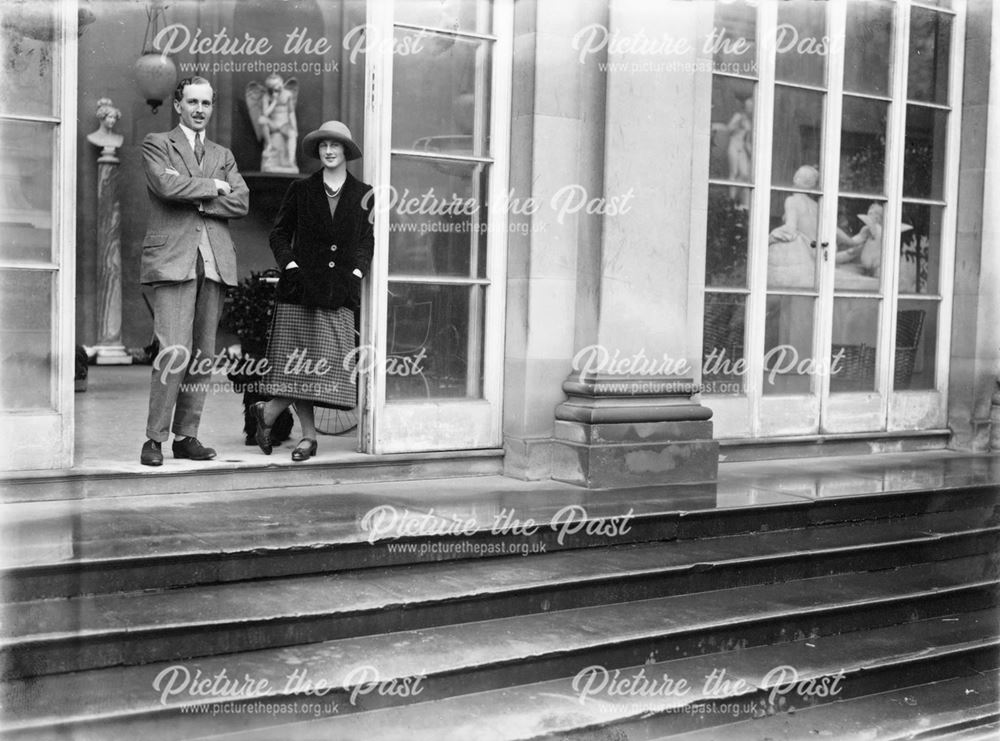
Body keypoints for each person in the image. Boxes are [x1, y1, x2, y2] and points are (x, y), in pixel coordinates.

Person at [139, 77, 250, 466]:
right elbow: (165, 186)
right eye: (192, 102)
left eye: (206, 103)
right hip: (174, 259)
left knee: (203, 354)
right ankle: (154, 439)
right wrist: (214, 187)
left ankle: (187, 436)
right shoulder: (158, 143)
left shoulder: (224, 153)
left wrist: (201, 198)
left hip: (214, 260)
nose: (199, 109)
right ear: (177, 105)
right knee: (173, 350)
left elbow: (241, 202)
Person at [252, 121, 374, 461]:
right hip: (300, 290)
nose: (329, 151)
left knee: (324, 366)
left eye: (336, 145)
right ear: (318, 151)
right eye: (323, 146)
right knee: (300, 365)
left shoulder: (364, 194)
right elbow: (279, 234)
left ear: (346, 151)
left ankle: (268, 412)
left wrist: (356, 272)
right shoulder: (301, 189)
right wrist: (291, 266)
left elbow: (366, 241)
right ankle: (308, 438)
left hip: (339, 292)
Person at [767, 164, 819, 289]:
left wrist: (769, 238)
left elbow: (791, 227)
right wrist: (854, 241)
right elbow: (833, 232)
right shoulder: (816, 205)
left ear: (796, 179)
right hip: (816, 255)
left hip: (804, 257)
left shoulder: (792, 200)